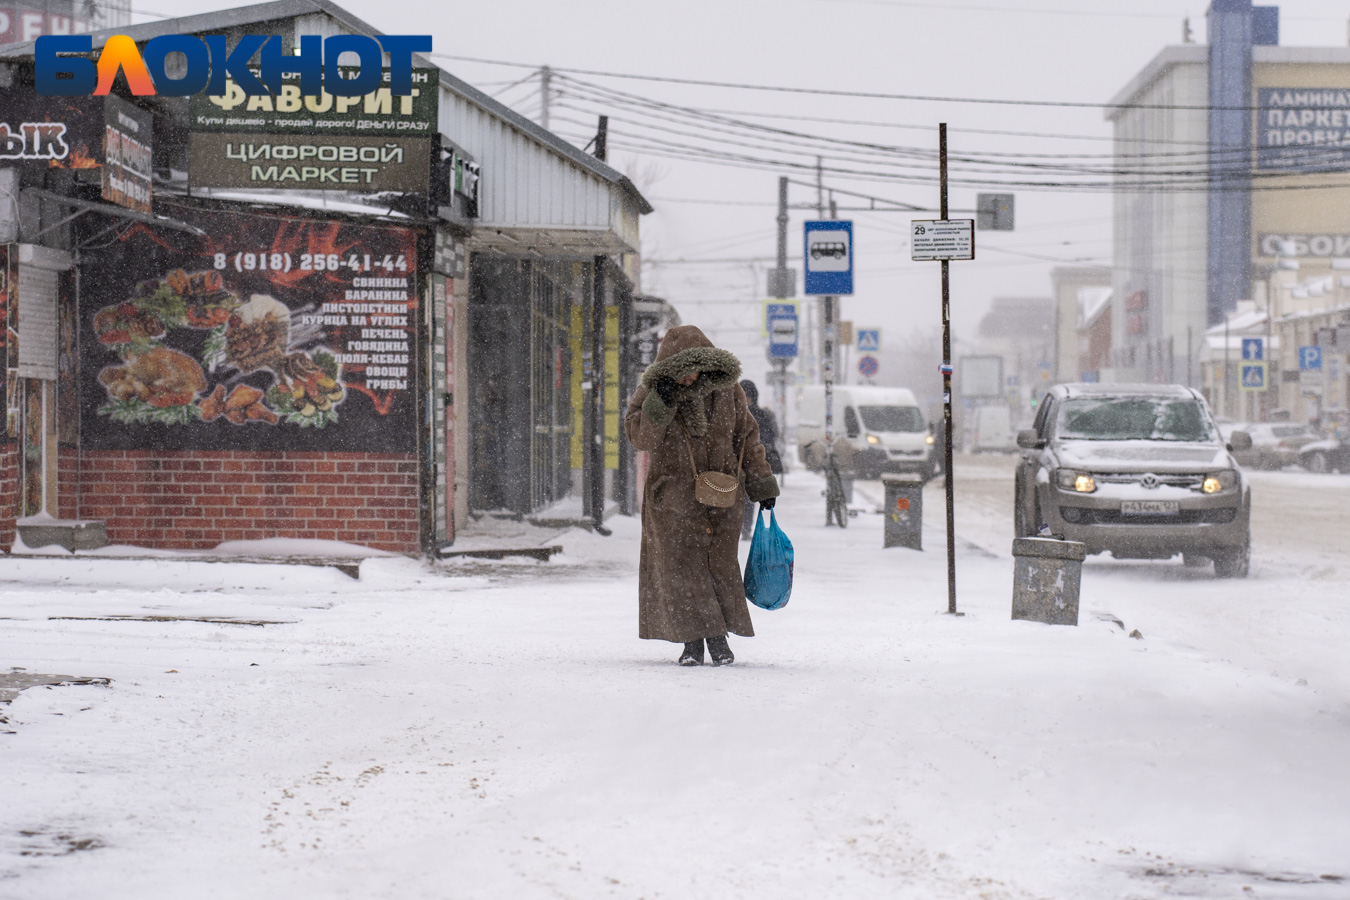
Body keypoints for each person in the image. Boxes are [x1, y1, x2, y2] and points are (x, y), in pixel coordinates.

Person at [624, 326, 780, 666]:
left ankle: (717, 637)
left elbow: (747, 438)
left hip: (721, 495)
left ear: (706, 364)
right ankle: (695, 643)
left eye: (692, 368)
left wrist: (762, 483)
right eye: (679, 371)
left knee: (717, 567)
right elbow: (641, 438)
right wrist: (659, 402)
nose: (686, 377)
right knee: (680, 569)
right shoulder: (654, 391)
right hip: (672, 498)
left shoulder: (729, 391)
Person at [739, 379, 783, 540]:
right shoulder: (741, 414)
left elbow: (767, 437)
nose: (746, 400)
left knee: (747, 499)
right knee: (745, 499)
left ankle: (745, 528)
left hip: (750, 463)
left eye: (748, 397)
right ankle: (744, 528)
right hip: (749, 464)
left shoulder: (753, 415)